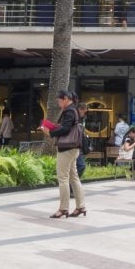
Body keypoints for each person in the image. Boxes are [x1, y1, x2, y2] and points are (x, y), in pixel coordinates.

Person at [41, 89, 86, 218]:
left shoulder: (69, 111)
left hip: (67, 148)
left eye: (59, 100)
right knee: (73, 177)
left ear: (66, 98)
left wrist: (50, 132)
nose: (58, 102)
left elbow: (65, 128)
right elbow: (66, 126)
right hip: (73, 148)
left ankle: (63, 208)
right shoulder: (74, 110)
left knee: (63, 178)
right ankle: (81, 206)